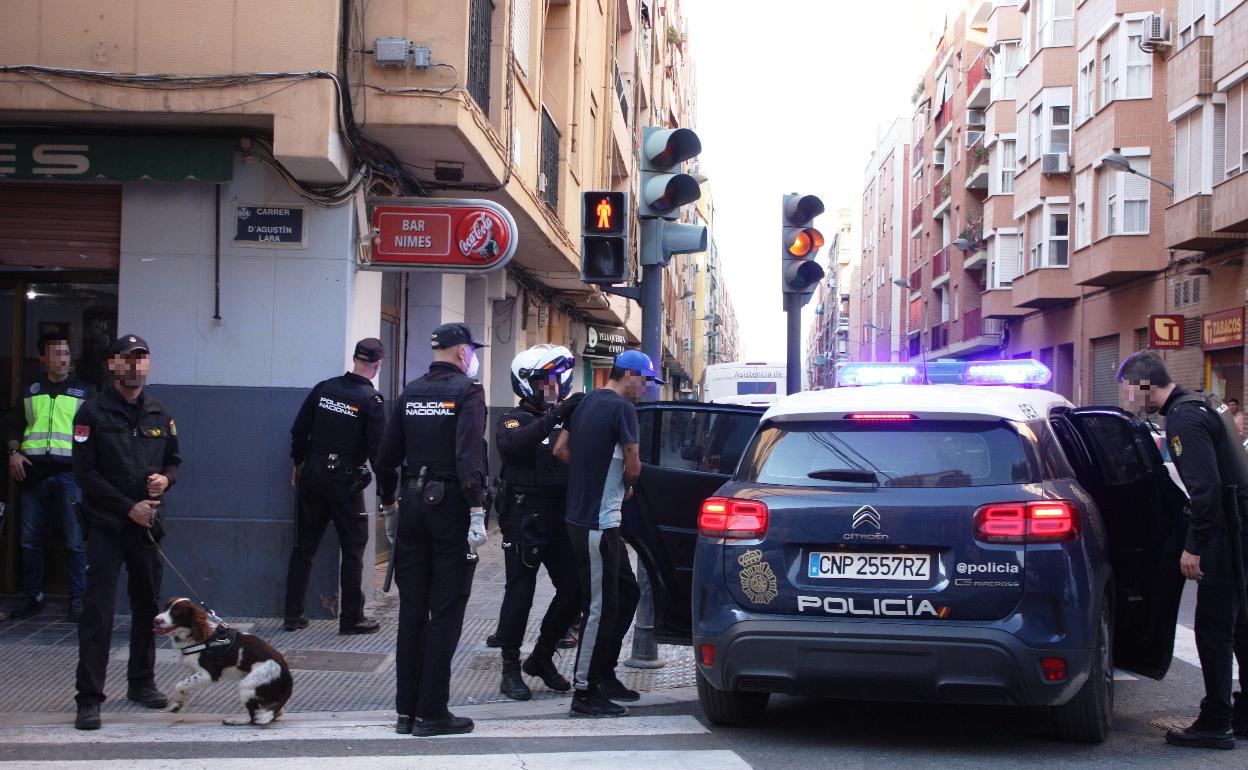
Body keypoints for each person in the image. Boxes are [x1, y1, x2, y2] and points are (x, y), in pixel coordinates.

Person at [1118, 351, 1248, 750]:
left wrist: (1195, 546)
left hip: (1224, 533)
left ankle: (1215, 721)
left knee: (1213, 629)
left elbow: (1206, 489)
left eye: (1127, 390)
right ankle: (1240, 714)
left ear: (1145, 386)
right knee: (1241, 626)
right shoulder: (1206, 402)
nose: (1127, 399)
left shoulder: (1184, 418)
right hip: (1240, 527)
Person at [376, 322, 488, 737]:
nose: (472, 356)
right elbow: (468, 455)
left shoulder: (411, 391)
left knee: (412, 611)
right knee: (445, 609)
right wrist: (476, 509)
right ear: (461, 353)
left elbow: (386, 457)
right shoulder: (467, 392)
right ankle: (433, 711)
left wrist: (389, 505)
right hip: (450, 509)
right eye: (471, 350)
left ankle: (406, 712)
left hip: (411, 507)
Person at [72, 335, 181, 731]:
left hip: (147, 527)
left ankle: (142, 683)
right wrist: (126, 507)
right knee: (98, 613)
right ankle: (89, 698)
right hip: (106, 526)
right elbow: (85, 474)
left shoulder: (159, 413)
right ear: (113, 365)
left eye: (142, 359)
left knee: (147, 608)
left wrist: (164, 482)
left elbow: (174, 461)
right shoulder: (92, 413)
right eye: (128, 360)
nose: (135, 366)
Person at [552, 349, 655, 718]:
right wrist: (626, 484)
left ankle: (604, 674)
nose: (647, 389)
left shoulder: (586, 400)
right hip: (598, 522)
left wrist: (589, 472)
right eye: (645, 381)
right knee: (598, 608)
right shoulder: (623, 409)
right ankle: (584, 690)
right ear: (629, 375)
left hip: (585, 520)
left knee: (626, 593)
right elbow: (634, 464)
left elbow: (561, 449)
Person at [283, 338, 396, 635]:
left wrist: (299, 465)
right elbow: (378, 454)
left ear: (355, 358)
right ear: (378, 364)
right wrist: (388, 496)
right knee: (354, 548)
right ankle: (351, 618)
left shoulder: (324, 388)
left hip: (312, 473)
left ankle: (293, 616)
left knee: (303, 547)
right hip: (344, 481)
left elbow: (299, 431)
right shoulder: (371, 400)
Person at [491, 344, 584, 700]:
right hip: (523, 515)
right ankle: (510, 667)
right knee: (520, 591)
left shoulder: (562, 419)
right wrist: (558, 414)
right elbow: (514, 445)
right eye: (546, 381)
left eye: (556, 380)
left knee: (575, 587)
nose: (554, 387)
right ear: (527, 383)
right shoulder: (513, 419)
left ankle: (542, 657)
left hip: (561, 515)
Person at [7, 332, 94, 621]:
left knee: (73, 540)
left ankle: (77, 599)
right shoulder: (30, 392)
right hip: (33, 475)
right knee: (29, 540)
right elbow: (13, 429)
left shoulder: (83, 392)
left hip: (69, 475)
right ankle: (34, 596)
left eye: (67, 353)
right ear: (43, 359)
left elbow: (94, 434)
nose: (63, 359)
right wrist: (13, 454)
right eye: (56, 353)